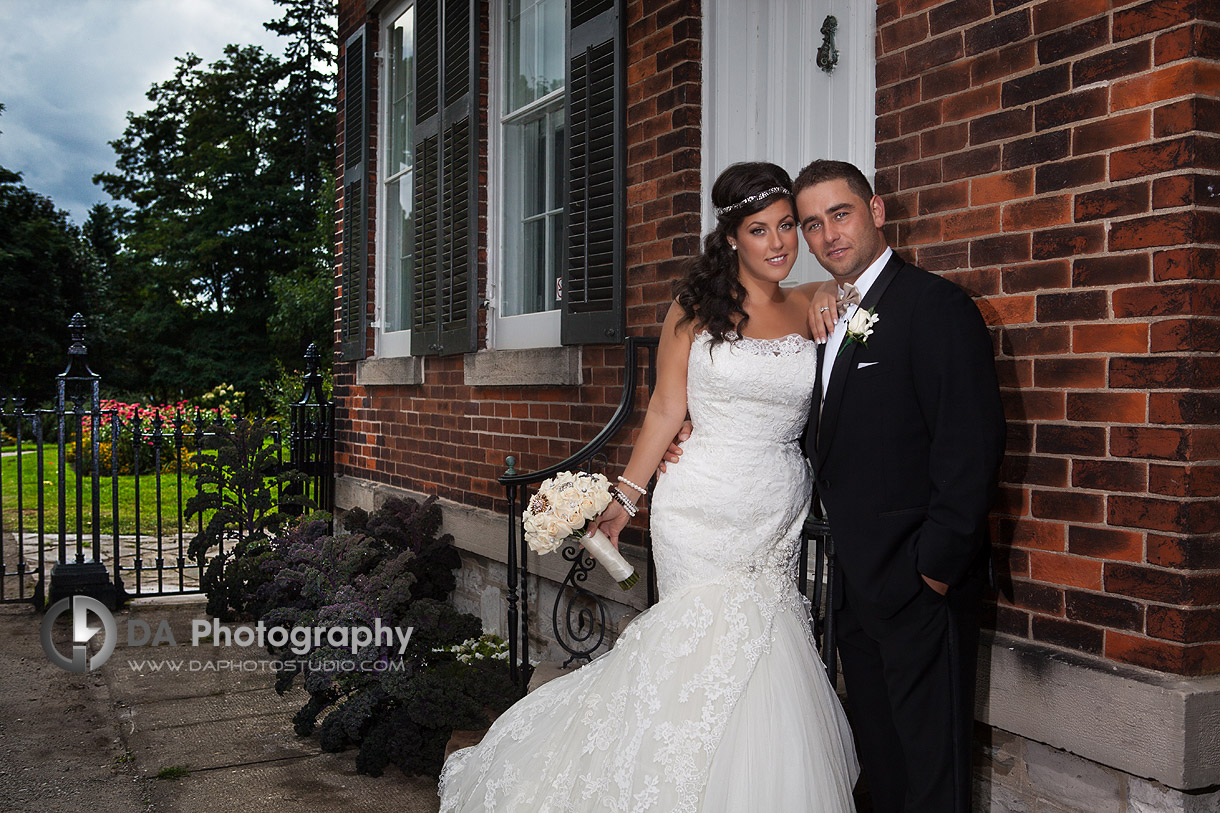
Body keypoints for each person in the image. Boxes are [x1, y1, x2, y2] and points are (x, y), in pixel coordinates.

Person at [438, 162, 859, 812]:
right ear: (731, 238)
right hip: (698, 510)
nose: (779, 243)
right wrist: (625, 499)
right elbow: (666, 407)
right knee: (697, 661)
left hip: (774, 512)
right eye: (759, 229)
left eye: (786, 227)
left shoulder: (813, 302)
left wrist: (835, 288)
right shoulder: (694, 312)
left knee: (766, 660)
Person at [796, 159, 1005, 812]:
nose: (828, 234)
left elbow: (970, 446)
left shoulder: (935, 306)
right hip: (857, 586)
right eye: (812, 223)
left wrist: (934, 571)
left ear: (876, 210)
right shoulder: (834, 316)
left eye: (841, 213)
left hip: (920, 586)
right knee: (882, 765)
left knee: (931, 773)